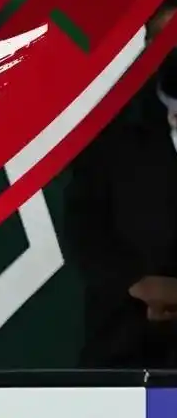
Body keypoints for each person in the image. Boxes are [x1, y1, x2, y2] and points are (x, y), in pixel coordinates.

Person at [63, 1, 177, 368]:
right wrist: (137, 284)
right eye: (164, 42)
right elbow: (84, 225)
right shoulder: (111, 130)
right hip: (125, 350)